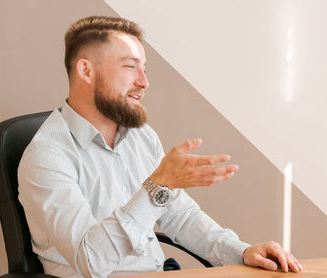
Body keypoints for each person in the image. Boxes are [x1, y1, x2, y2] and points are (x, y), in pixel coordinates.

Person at [17, 15, 302, 278]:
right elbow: (91, 261)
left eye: (144, 68)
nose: (144, 82)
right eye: (130, 66)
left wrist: (241, 251)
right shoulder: (47, 157)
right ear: (86, 70)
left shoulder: (141, 137)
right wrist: (156, 186)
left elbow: (179, 215)